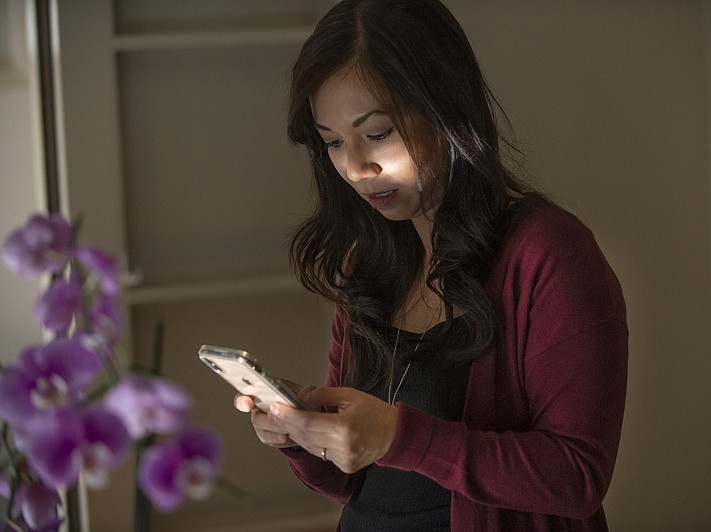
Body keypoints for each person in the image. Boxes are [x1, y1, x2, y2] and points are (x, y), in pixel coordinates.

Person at [234, 0, 628, 530]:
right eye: (332, 142)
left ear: (445, 107)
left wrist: (397, 435)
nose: (354, 167)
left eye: (377, 134)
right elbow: (358, 485)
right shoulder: (367, 264)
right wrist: (305, 436)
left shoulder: (549, 253)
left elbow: (578, 477)